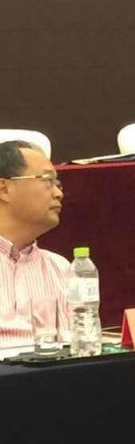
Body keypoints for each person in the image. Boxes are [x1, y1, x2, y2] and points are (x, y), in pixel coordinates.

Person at [0, 140, 69, 348]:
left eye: (57, 184)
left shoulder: (60, 268)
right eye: (47, 180)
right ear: (4, 189)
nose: (58, 193)